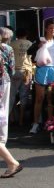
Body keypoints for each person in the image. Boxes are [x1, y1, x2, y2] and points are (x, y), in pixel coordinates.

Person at [0, 37, 22, 179]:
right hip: (5, 83)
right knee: (3, 118)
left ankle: (11, 162)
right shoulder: (6, 48)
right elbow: (11, 69)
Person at [9, 28, 32, 126]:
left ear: (16, 35)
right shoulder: (30, 44)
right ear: (26, 34)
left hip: (15, 71)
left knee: (11, 96)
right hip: (26, 71)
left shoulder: (12, 44)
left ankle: (10, 118)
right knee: (24, 96)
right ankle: (21, 120)